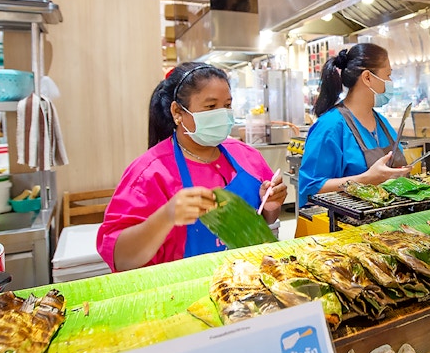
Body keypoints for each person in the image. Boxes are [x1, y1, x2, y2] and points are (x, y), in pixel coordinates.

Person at [97, 62, 288, 271]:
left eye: (227, 105)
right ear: (178, 112)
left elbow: (264, 220)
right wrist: (166, 217)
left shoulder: (247, 156)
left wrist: (271, 207)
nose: (222, 114)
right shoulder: (149, 173)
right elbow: (121, 259)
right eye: (211, 107)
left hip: (247, 281)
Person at [298, 43, 411, 208]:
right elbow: (309, 189)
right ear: (367, 78)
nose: (390, 82)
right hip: (346, 226)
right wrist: (366, 179)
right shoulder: (330, 127)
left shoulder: (382, 122)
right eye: (388, 75)